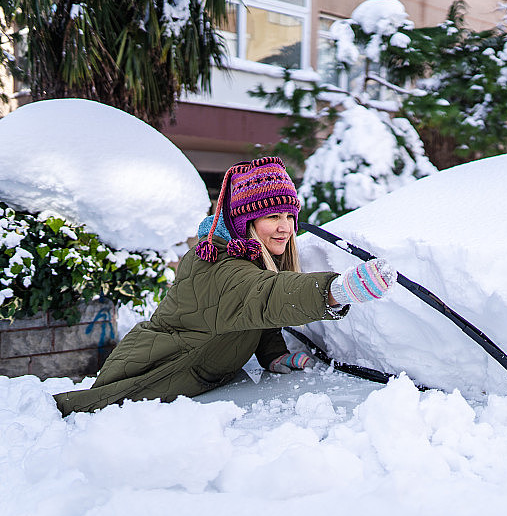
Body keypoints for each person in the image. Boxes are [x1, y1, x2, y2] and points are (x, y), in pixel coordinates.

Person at [53, 156, 396, 416]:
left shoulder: (250, 258)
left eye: (290, 217)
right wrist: (338, 290)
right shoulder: (216, 264)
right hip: (153, 372)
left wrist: (274, 355)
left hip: (195, 374)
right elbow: (262, 295)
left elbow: (247, 314)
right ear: (245, 221)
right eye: (273, 217)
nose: (286, 228)